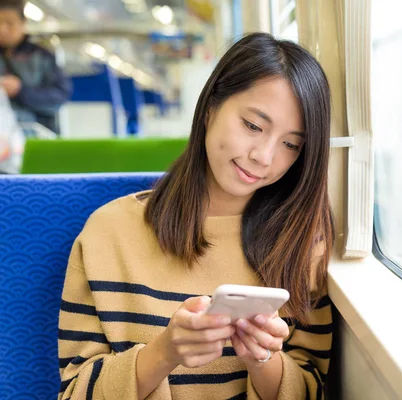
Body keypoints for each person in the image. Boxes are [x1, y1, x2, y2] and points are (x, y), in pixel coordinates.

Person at [58, 32, 334, 400]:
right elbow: (75, 394)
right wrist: (165, 352)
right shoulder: (108, 233)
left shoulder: (303, 243)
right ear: (210, 107)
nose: (264, 157)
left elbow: (311, 391)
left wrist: (262, 358)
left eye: (290, 144)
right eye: (253, 126)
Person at [0, 0, 71, 135]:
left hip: (34, 133)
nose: (2, 29)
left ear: (23, 24)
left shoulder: (41, 56)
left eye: (9, 24)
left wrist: (20, 91)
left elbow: (60, 96)